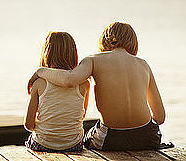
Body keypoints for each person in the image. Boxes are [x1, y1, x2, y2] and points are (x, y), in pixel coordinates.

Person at [27, 22, 165, 151]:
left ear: (104, 40)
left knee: (89, 136)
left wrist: (40, 71)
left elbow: (69, 80)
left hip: (112, 138)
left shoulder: (93, 60)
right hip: (148, 137)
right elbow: (159, 117)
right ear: (133, 43)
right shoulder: (144, 65)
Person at [24, 31, 91, 152]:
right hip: (74, 144)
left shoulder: (39, 83)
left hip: (42, 144)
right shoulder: (84, 84)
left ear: (47, 53)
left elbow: (28, 125)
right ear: (73, 53)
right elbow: (82, 115)